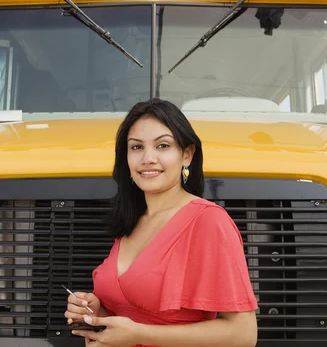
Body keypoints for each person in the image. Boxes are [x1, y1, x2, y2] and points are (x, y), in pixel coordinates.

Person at [64, 98, 258, 347]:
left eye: (163, 146)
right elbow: (131, 318)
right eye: (136, 148)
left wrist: (139, 334)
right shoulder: (132, 222)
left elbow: (243, 335)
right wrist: (96, 313)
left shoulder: (208, 221)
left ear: (186, 154)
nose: (147, 158)